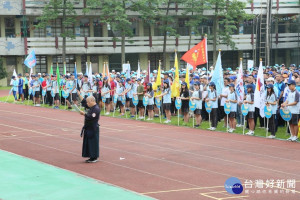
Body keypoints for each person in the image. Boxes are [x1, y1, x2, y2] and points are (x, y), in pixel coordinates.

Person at [77, 92, 100, 163]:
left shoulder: (96, 108)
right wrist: (79, 95)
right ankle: (90, 156)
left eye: (88, 102)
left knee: (93, 143)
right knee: (88, 143)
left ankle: (94, 157)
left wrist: (84, 114)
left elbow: (91, 117)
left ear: (92, 101)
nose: (87, 103)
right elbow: (84, 102)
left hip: (93, 128)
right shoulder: (91, 107)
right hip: (88, 128)